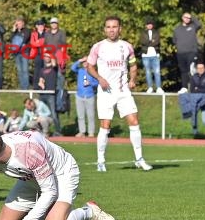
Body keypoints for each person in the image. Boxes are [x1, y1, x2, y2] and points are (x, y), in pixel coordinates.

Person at [0, 130, 119, 220]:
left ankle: (89, 211)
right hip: (30, 179)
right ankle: (50, 211)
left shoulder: (29, 152)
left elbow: (50, 190)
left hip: (61, 174)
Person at [87, 16, 153, 172]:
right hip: (105, 92)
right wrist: (99, 78)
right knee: (105, 126)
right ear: (105, 29)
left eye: (114, 27)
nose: (111, 30)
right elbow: (89, 66)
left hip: (123, 91)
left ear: (119, 29)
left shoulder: (127, 46)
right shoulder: (98, 47)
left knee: (134, 121)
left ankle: (139, 159)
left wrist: (132, 79)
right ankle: (101, 161)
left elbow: (133, 65)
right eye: (108, 27)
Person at [173, 12, 202, 93]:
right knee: (183, 70)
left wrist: (192, 17)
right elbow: (174, 40)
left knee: (192, 69)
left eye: (189, 18)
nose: (187, 19)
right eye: (186, 17)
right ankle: (184, 87)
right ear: (182, 18)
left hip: (191, 51)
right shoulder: (177, 28)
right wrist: (179, 46)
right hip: (181, 52)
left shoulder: (193, 26)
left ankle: (196, 86)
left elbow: (199, 24)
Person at [70, 56, 99, 137]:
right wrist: (80, 60)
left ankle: (91, 133)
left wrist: (90, 83)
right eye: (83, 62)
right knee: (80, 116)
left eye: (86, 61)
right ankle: (82, 132)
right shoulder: (80, 71)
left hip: (90, 96)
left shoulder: (93, 72)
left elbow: (98, 82)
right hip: (80, 96)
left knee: (91, 116)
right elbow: (72, 68)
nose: (84, 63)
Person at [36, 53, 61, 136]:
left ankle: (58, 131)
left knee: (53, 114)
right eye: (45, 56)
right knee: (40, 113)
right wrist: (41, 83)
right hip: (43, 94)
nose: (46, 58)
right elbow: (40, 80)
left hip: (51, 94)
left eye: (48, 56)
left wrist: (52, 55)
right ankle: (43, 131)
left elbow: (55, 64)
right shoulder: (42, 69)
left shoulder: (54, 68)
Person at [139, 18, 164, 94]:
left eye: (151, 24)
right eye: (148, 24)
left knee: (157, 71)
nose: (149, 25)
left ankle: (159, 87)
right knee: (147, 72)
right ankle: (150, 87)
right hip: (145, 55)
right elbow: (143, 41)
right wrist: (151, 41)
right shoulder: (143, 33)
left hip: (155, 54)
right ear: (146, 25)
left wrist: (150, 42)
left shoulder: (156, 32)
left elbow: (156, 42)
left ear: (152, 25)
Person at [44, 17, 68, 91]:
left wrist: (62, 56)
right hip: (49, 56)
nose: (53, 25)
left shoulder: (61, 33)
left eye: (55, 23)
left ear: (57, 24)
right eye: (52, 23)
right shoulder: (47, 33)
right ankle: (50, 89)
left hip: (59, 56)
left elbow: (64, 44)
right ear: (50, 24)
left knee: (60, 74)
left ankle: (60, 90)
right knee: (49, 73)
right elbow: (45, 44)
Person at [10, 17, 31, 89]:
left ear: (23, 23)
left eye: (20, 23)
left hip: (24, 52)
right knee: (19, 71)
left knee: (25, 70)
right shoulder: (15, 32)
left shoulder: (27, 31)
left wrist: (17, 46)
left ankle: (26, 87)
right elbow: (11, 40)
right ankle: (22, 87)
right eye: (17, 23)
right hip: (17, 54)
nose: (18, 25)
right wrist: (13, 30)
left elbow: (25, 39)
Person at [30, 19, 47, 89]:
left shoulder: (47, 32)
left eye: (42, 25)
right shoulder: (33, 34)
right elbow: (32, 43)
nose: (41, 27)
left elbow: (47, 42)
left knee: (45, 69)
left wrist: (38, 41)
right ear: (37, 26)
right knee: (37, 70)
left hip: (46, 54)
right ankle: (35, 86)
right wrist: (42, 42)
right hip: (37, 53)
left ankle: (43, 85)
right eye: (39, 25)